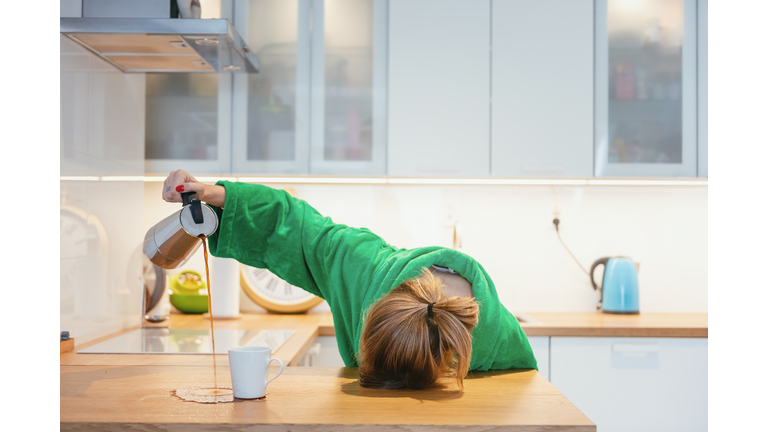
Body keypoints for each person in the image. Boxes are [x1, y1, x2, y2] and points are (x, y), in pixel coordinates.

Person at [162, 170, 537, 390]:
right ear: (369, 309)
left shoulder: (497, 338)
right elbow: (294, 226)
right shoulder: (361, 266)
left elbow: (520, 397)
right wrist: (216, 195)